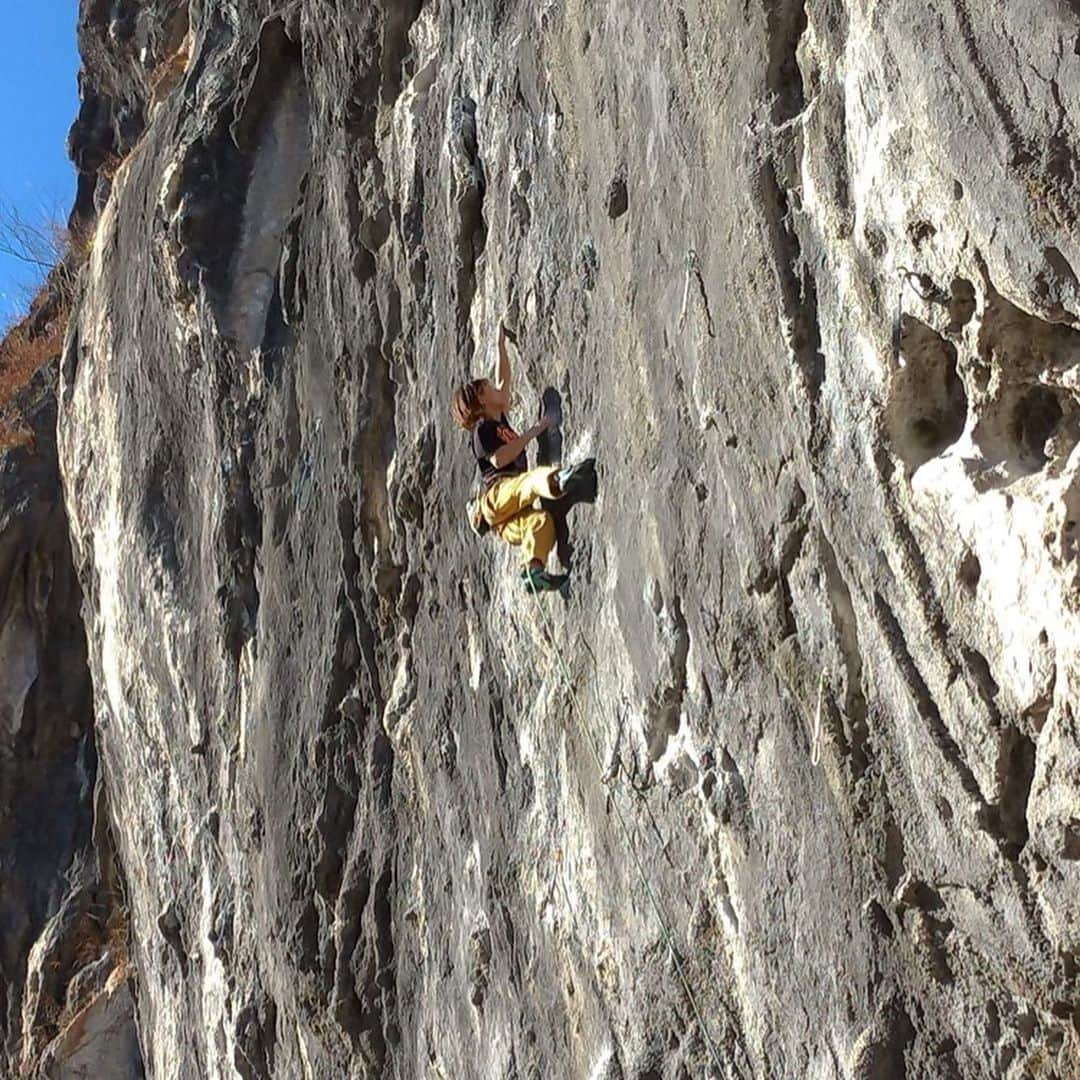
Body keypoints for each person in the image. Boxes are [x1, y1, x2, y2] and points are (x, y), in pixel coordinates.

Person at [452, 320, 578, 593]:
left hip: (505, 520)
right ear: (484, 401)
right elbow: (499, 460)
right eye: (489, 388)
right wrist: (535, 430)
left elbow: (504, 380)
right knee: (531, 483)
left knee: (540, 522)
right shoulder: (483, 430)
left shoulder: (497, 418)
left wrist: (500, 345)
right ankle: (561, 481)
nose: (498, 389)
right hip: (497, 498)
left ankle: (533, 570)